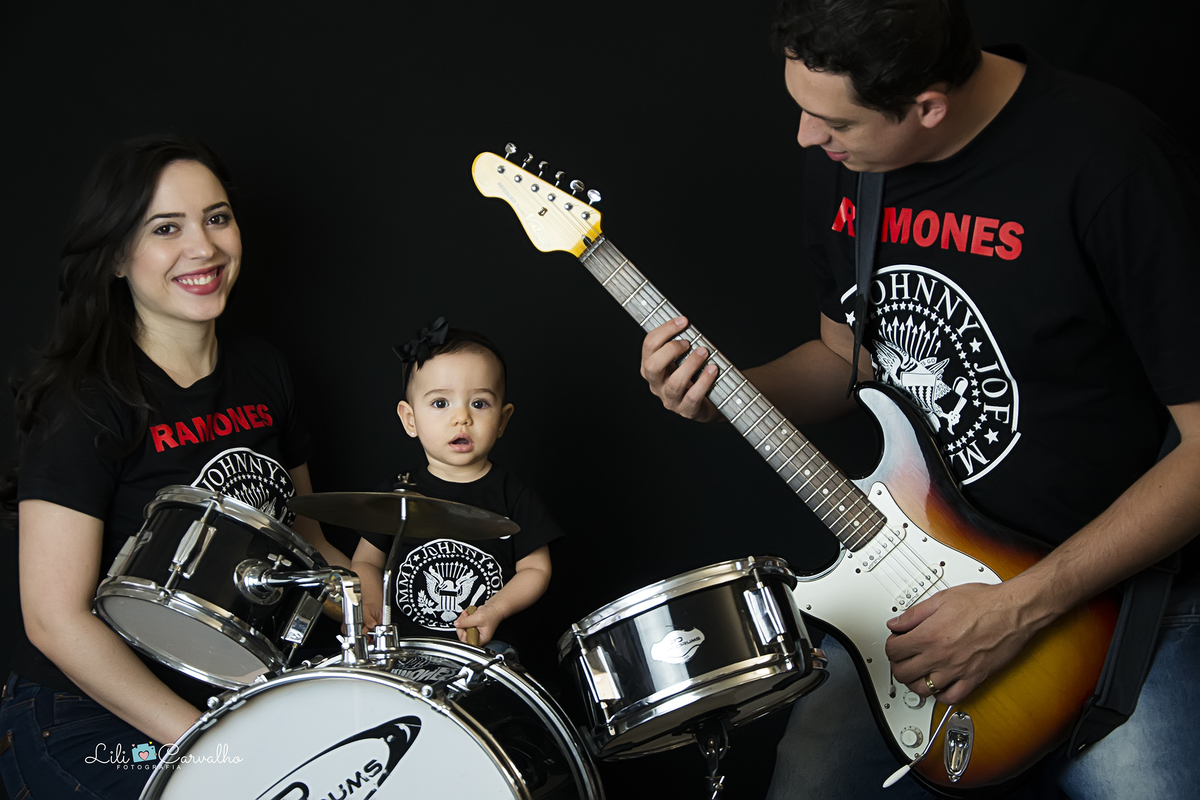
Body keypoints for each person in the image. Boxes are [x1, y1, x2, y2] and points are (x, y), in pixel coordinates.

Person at [637, 1, 1199, 797]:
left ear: (928, 105)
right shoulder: (848, 157)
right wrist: (727, 393)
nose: (806, 137)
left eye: (831, 121)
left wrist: (1018, 609)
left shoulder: (1111, 163)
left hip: (1111, 600)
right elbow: (847, 361)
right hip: (910, 586)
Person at [0, 134, 348, 800]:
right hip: (87, 720)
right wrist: (219, 749)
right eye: (167, 228)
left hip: (228, 698)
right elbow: (53, 618)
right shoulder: (88, 401)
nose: (205, 248)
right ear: (118, 257)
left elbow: (309, 544)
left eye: (217, 217)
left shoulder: (262, 370)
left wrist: (390, 615)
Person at [351, 319, 561, 652]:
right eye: (440, 403)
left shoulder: (513, 493)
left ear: (503, 419)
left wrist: (495, 608)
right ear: (410, 420)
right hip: (405, 650)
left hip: (485, 653)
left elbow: (536, 568)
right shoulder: (398, 490)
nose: (461, 417)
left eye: (479, 403)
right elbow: (366, 562)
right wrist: (372, 603)